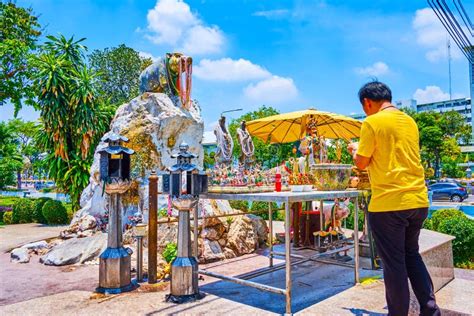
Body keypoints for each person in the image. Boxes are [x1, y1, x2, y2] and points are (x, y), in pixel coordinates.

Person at [348, 81, 440, 316]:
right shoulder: (409, 121)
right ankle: (430, 309)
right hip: (418, 199)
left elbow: (361, 162)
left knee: (394, 264)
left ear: (367, 102)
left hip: (389, 203)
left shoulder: (371, 121)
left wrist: (355, 150)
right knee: (411, 255)